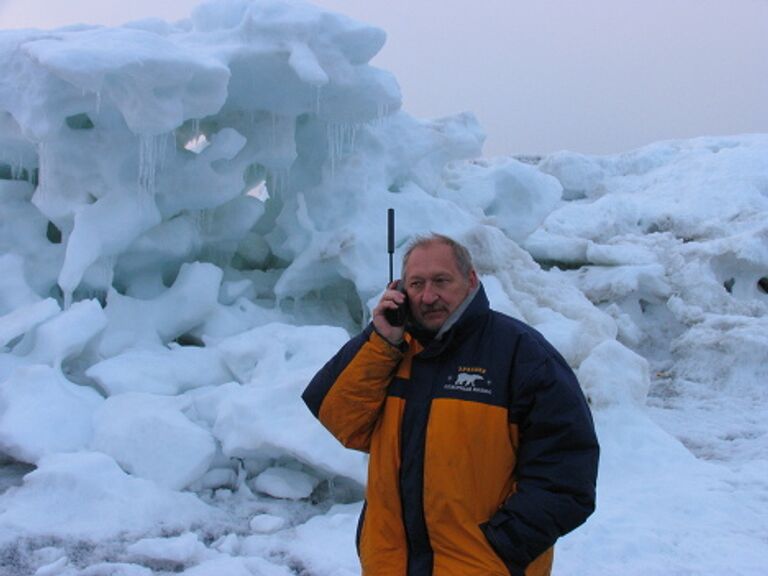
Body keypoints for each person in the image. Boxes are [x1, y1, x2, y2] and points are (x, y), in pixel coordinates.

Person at [302, 234, 599, 576]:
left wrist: (502, 547)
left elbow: (566, 472)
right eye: (416, 284)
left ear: (470, 280)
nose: (429, 297)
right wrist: (381, 340)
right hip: (391, 565)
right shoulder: (390, 352)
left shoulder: (521, 354)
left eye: (441, 281)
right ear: (400, 289)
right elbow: (342, 420)